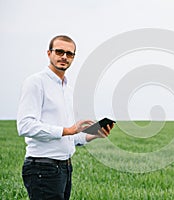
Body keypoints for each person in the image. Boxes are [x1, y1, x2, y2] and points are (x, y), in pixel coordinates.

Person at [17, 35, 113, 200]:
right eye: (59, 51)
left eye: (69, 54)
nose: (64, 57)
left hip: (65, 167)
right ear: (49, 53)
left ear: (73, 58)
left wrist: (94, 134)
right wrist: (69, 130)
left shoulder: (68, 91)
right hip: (42, 167)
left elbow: (71, 137)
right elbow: (25, 126)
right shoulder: (35, 83)